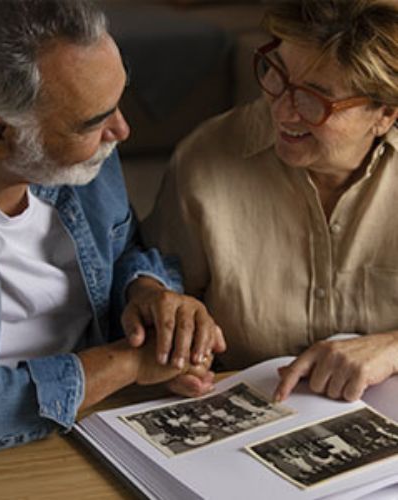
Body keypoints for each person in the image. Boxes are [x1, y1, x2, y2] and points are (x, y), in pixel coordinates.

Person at [0, 0, 226, 462]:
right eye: (93, 122)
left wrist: (148, 293)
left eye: (118, 102)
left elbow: (122, 246)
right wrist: (129, 364)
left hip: (100, 422)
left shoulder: (85, 155)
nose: (122, 130)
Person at [142, 0, 398, 403]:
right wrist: (172, 341)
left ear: (384, 113)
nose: (282, 111)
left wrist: (394, 347)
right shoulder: (206, 158)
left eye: (315, 98)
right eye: (277, 74)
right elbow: (157, 285)